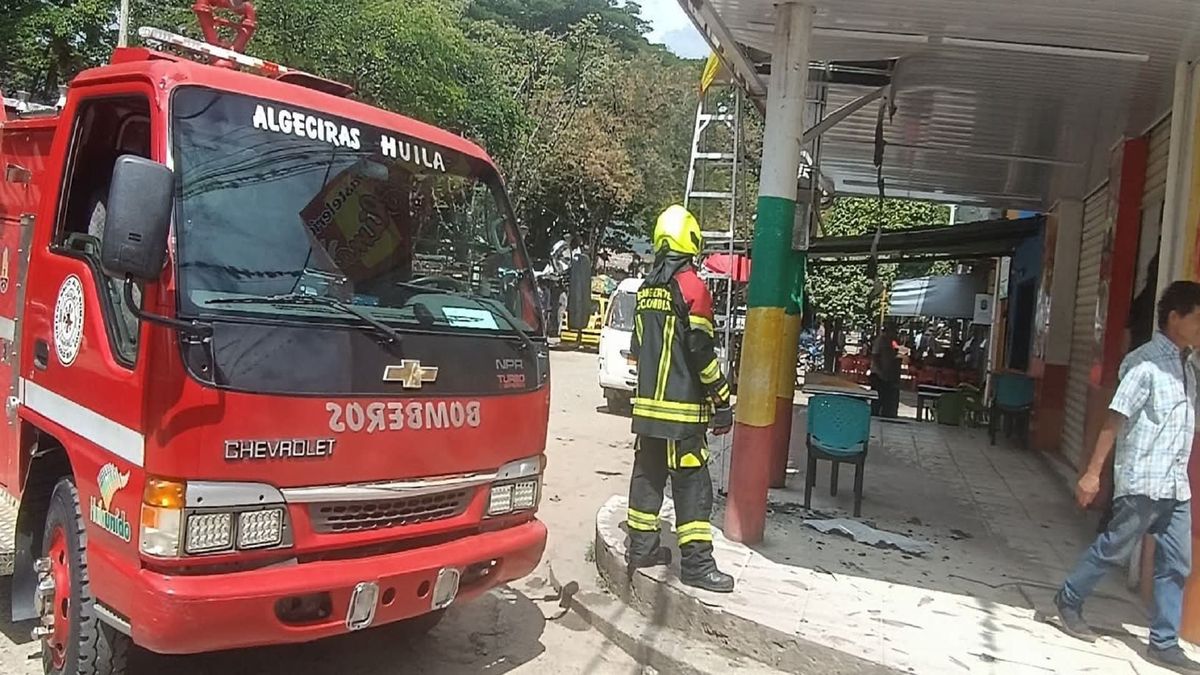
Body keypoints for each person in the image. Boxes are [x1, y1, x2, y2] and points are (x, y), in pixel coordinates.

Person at [1054, 281, 1200, 672]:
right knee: (1113, 549)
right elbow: (1115, 418)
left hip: (1176, 486)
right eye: (1199, 319)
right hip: (1144, 480)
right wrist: (1092, 473)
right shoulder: (1145, 363)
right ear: (1175, 318)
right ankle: (1069, 599)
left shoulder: (1191, 366)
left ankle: (1164, 642)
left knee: (1177, 564)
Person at [625, 204, 735, 593]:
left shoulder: (645, 290)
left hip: (647, 412)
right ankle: (697, 566)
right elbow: (702, 355)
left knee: (648, 477)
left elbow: (638, 350)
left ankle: (641, 549)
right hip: (683, 415)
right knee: (692, 485)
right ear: (691, 241)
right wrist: (722, 398)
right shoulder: (692, 288)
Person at [870, 323, 901, 418]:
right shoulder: (880, 340)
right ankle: (874, 413)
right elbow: (875, 356)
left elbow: (897, 350)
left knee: (885, 396)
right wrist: (880, 370)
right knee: (878, 396)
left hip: (887, 374)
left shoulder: (891, 341)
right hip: (878, 374)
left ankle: (885, 413)